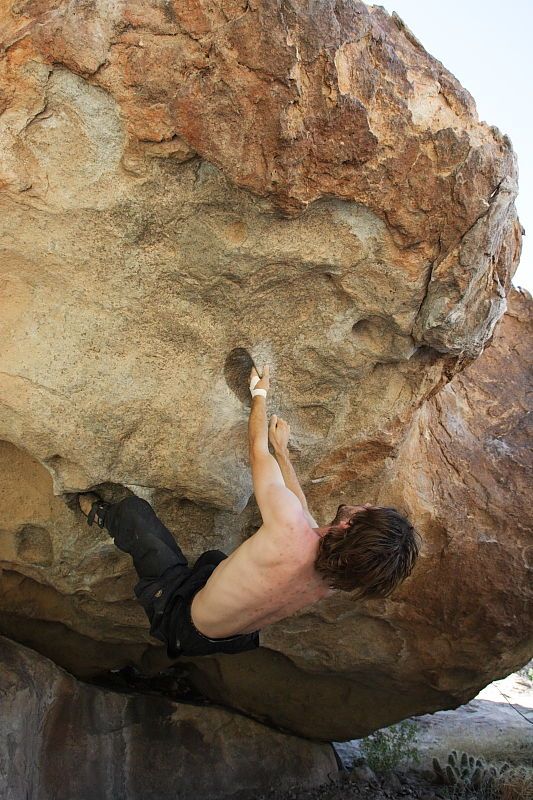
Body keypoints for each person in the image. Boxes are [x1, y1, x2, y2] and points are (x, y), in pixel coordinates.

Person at [78, 364, 421, 658]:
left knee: (136, 516)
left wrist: (259, 395)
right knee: (213, 558)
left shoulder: (289, 527)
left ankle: (101, 514)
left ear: (347, 526)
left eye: (368, 509)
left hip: (179, 616)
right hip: (227, 641)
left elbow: (258, 452)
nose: (365, 503)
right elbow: (304, 516)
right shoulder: (334, 577)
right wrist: (283, 452)